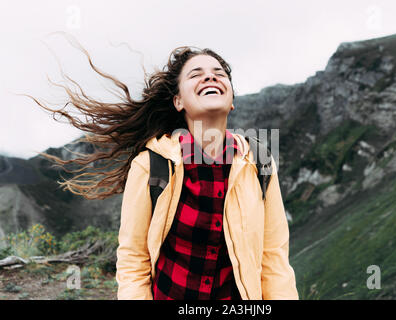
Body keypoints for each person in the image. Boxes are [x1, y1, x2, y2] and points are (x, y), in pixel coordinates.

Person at [28, 39, 298, 300]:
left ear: (231, 100)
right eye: (196, 74)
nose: (211, 77)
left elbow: (273, 257)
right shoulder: (151, 164)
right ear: (179, 101)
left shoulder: (259, 162)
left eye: (219, 73)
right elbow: (134, 259)